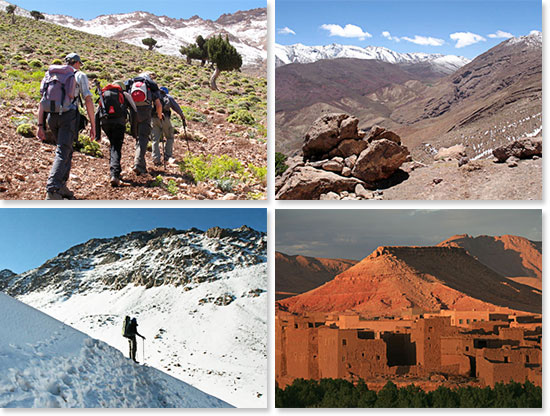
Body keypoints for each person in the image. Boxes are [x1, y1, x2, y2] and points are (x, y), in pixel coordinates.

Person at [37, 53, 96, 200]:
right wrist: (93, 125)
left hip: (51, 116)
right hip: (68, 116)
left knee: (66, 149)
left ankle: (62, 186)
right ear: (76, 63)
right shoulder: (79, 75)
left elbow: (42, 101)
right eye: (80, 64)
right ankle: (53, 188)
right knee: (63, 151)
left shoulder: (51, 74)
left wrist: (40, 125)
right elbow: (88, 100)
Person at [94, 80, 137, 187]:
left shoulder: (104, 95)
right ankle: (115, 174)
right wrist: (133, 130)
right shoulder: (124, 94)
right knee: (116, 147)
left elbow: (96, 114)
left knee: (113, 146)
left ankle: (115, 170)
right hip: (119, 123)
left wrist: (98, 135)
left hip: (105, 123)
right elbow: (134, 111)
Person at [126, 72, 163, 175]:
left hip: (133, 113)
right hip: (146, 112)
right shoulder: (150, 86)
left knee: (138, 137)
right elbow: (158, 105)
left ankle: (141, 163)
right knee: (143, 138)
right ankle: (138, 163)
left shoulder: (130, 84)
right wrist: (160, 116)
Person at [151, 86, 187, 166]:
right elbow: (176, 107)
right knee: (170, 137)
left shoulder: (154, 96)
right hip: (164, 118)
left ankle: (156, 159)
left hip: (154, 118)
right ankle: (168, 156)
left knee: (155, 139)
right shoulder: (168, 97)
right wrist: (182, 116)